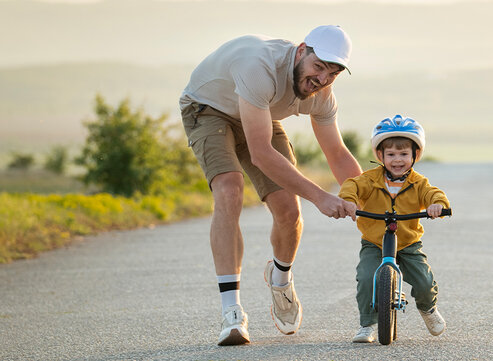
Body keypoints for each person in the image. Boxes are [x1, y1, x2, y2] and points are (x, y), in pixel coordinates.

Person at [179, 25, 362, 346]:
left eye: (332, 74)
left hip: (258, 112)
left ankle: (280, 278)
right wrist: (320, 197)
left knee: (289, 210)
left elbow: (337, 153)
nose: (321, 79)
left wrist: (367, 200)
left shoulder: (321, 95)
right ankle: (232, 312)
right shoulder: (259, 66)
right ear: (302, 50)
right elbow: (261, 154)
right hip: (208, 109)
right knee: (230, 189)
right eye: (318, 67)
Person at [338, 115, 450, 343]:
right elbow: (352, 185)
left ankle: (428, 308)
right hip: (375, 242)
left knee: (424, 281)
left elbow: (433, 193)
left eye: (403, 154)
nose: (397, 160)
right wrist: (348, 200)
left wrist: (437, 205)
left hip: (408, 242)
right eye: (390, 154)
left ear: (415, 155)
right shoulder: (370, 180)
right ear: (380, 155)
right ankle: (367, 324)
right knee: (367, 277)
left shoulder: (418, 183)